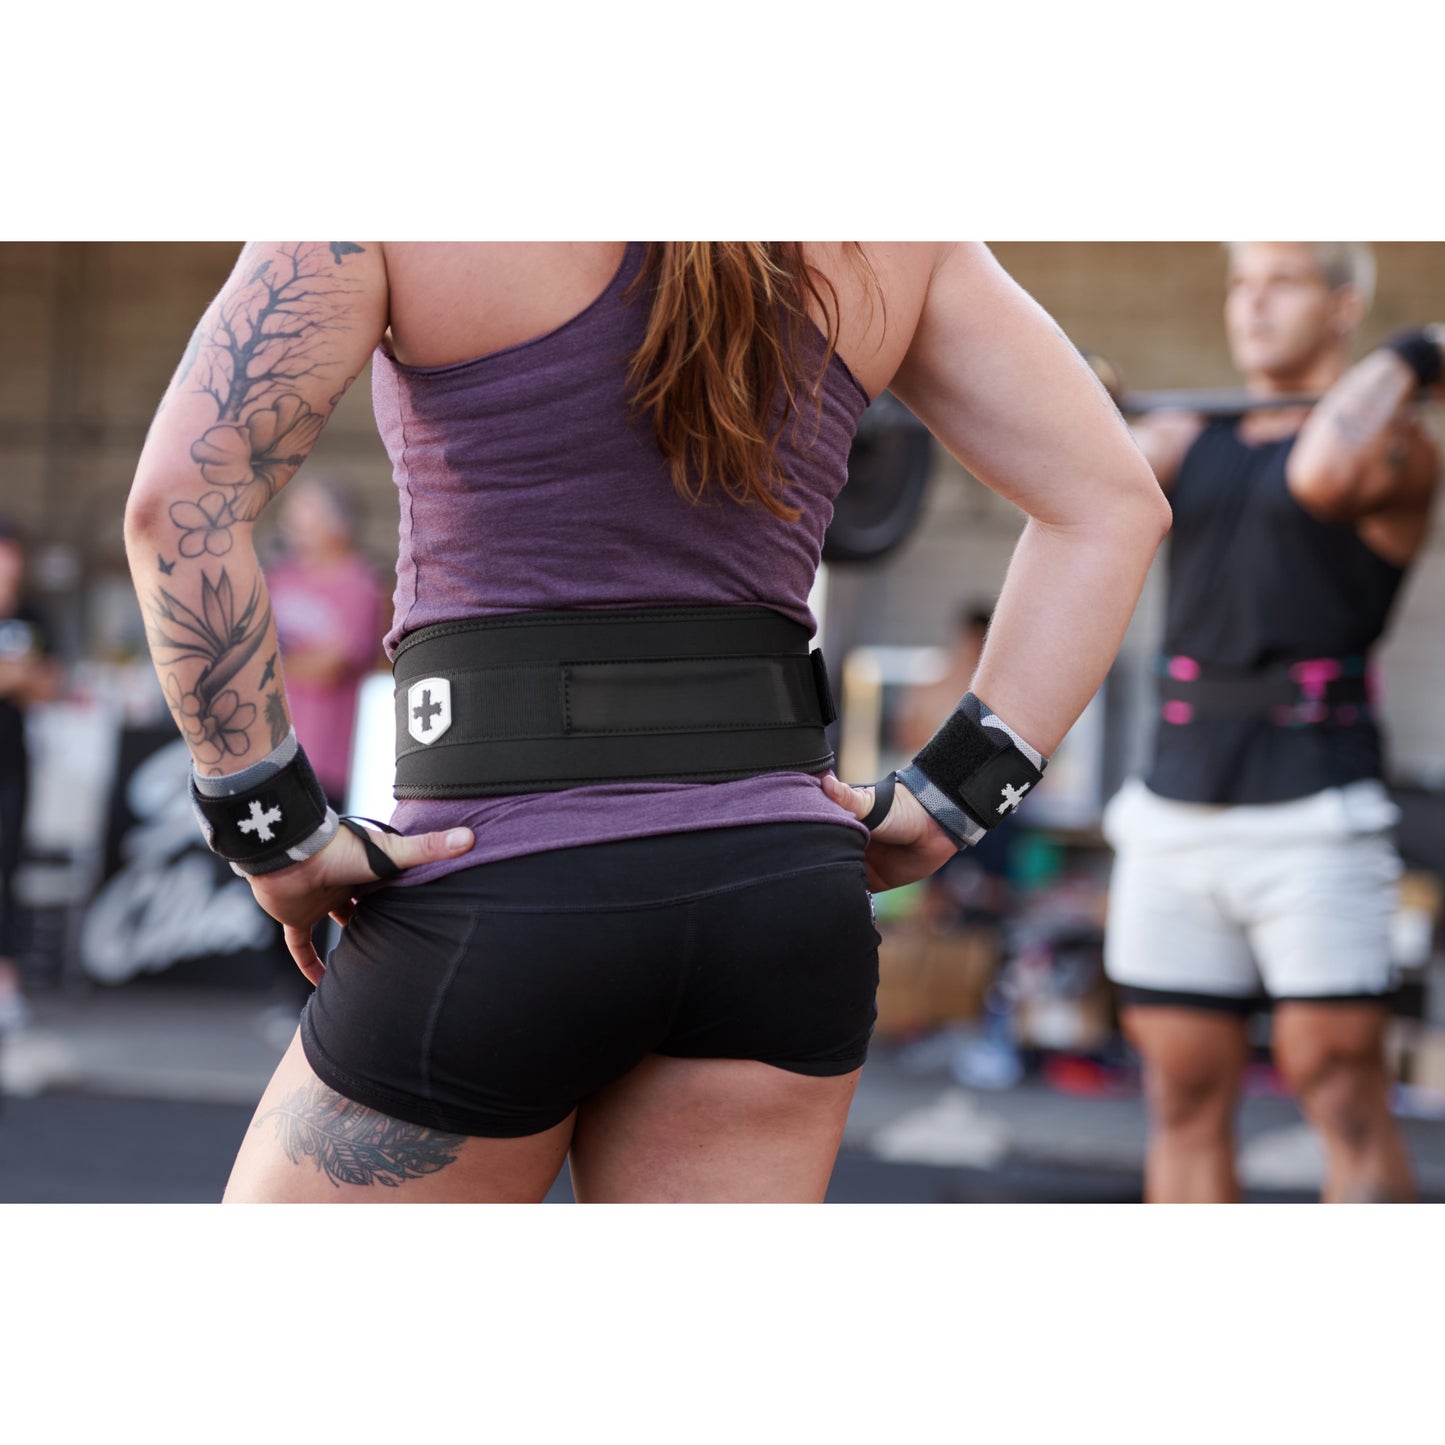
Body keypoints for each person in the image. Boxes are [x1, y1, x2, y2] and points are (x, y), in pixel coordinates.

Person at [124, 241, 1168, 1203]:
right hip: (777, 897)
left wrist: (277, 829)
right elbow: (1112, 504)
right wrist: (947, 803)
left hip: (498, 885)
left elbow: (178, 502)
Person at [1103, 242, 1443, 1203]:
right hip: (1174, 803)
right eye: (1240, 285)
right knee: (1179, 1094)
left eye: (1282, 283)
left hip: (1314, 809)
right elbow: (1058, 470)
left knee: (1338, 1091)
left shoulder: (1396, 444)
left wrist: (1416, 350)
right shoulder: (1177, 438)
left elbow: (1320, 475)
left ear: (1343, 308)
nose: (1250, 307)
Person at [263, 476, 386, 811]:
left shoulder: (360, 583)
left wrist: (267, 662)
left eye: (305, 509)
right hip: (266, 754)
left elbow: (333, 664)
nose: (290, 519)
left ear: (339, 523)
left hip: (326, 762)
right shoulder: (277, 578)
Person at [0, 517, 62, 1033]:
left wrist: (20, 678)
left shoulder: (33, 614)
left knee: (7, 870)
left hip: (12, 764)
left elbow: (46, 685)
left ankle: (6, 983)